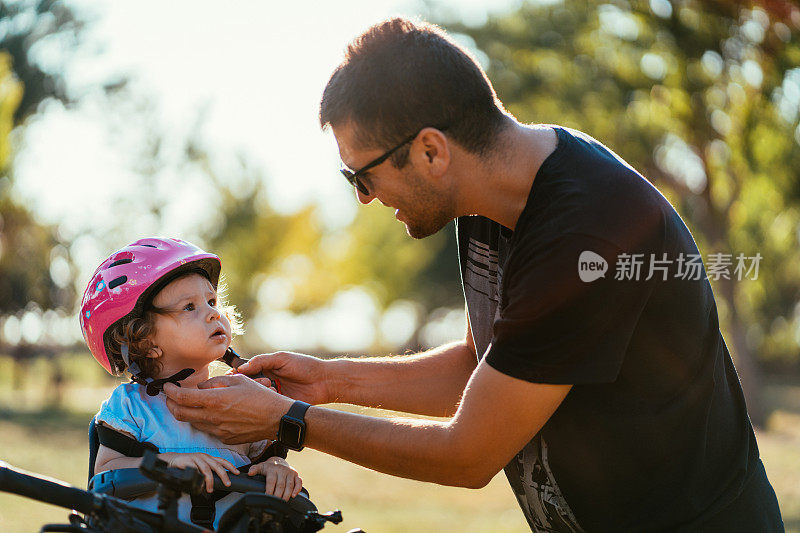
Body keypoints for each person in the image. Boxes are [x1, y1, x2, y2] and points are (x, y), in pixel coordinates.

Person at [163, 18, 784, 532]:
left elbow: (470, 454)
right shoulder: (486, 201)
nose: (364, 199)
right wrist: (325, 381)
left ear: (431, 151)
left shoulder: (586, 235)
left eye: (362, 175)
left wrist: (288, 423)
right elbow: (486, 364)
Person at [81, 237, 301, 529]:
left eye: (212, 301)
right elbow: (106, 474)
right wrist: (169, 464)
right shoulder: (130, 407)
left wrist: (278, 468)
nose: (213, 312)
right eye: (189, 307)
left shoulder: (243, 399)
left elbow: (267, 461)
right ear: (146, 341)